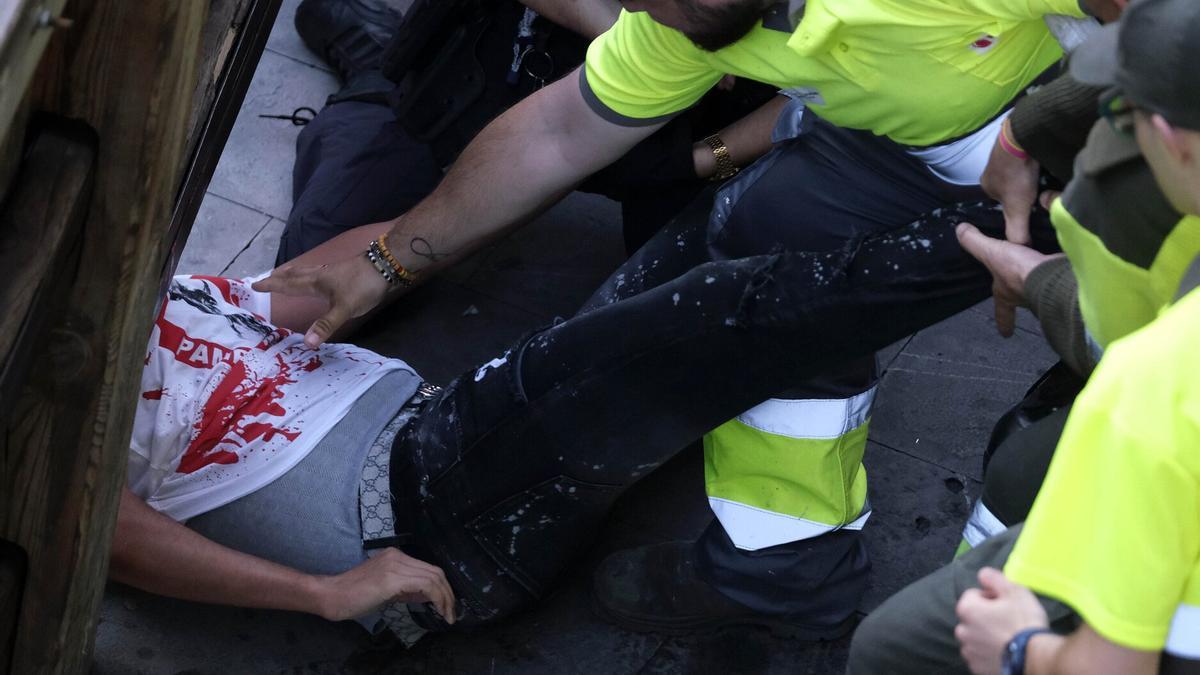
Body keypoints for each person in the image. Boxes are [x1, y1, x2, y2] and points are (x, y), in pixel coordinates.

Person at [255, 0, 1119, 636]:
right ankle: (785, 561)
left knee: (1075, 422)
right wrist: (387, 262)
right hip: (932, 139)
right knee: (753, 254)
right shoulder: (687, 17)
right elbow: (558, 132)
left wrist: (1040, 137)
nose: (636, 8)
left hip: (1113, 144)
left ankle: (1033, 589)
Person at [113, 195, 1026, 645]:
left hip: (456, 424)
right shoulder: (49, 378)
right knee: (726, 304)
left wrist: (409, 240)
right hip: (423, 516)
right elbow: (106, 537)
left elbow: (313, 286)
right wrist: (326, 594)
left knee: (748, 220)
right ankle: (1038, 237)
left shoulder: (154, 285)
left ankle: (790, 557)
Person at [846, 1, 1200, 671]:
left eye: (1120, 118)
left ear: (1171, 139)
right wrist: (1023, 134)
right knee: (1020, 468)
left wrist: (1016, 644)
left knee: (895, 649)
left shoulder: (1158, 386)